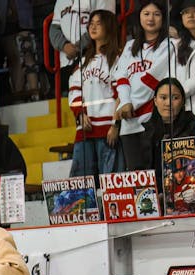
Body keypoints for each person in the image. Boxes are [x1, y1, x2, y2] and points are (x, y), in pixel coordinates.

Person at [113, 2, 176, 171]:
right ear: (139, 17)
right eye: (146, 13)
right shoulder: (129, 46)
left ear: (163, 18)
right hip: (128, 124)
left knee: (158, 175)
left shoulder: (169, 45)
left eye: (156, 14)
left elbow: (151, 81)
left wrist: (129, 105)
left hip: (153, 121)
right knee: (137, 177)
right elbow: (121, 78)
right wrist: (125, 102)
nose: (151, 18)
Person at [68, 8, 121, 178]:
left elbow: (121, 94)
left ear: (109, 27)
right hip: (85, 129)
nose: (93, 27)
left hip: (108, 131)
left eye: (99, 23)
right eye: (91, 23)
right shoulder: (83, 62)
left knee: (109, 183)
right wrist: (80, 113)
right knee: (80, 184)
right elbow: (74, 91)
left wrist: (115, 124)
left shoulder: (117, 59)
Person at [144, 77, 195, 174]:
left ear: (183, 101)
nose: (168, 103)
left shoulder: (194, 126)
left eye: (175, 98)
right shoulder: (146, 131)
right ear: (155, 101)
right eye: (163, 98)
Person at [50, 0, 115, 70]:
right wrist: (64, 45)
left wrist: (78, 47)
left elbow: (106, 24)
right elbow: (54, 29)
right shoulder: (61, 1)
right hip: (66, 61)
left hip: (94, 58)